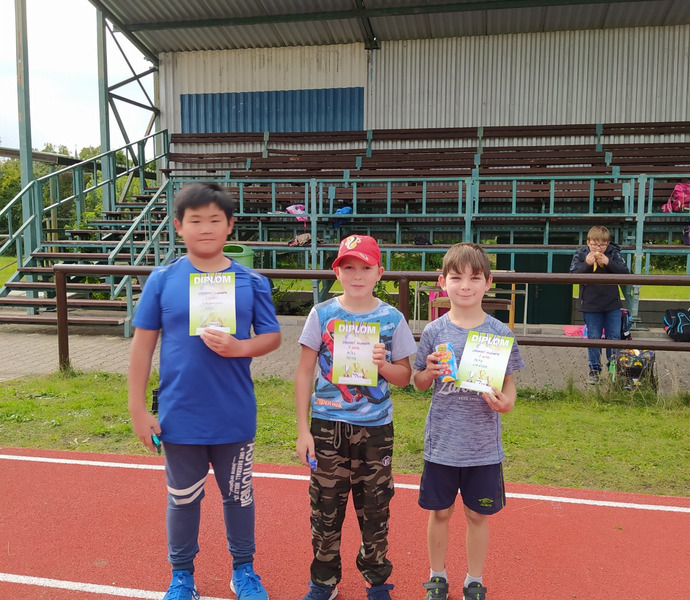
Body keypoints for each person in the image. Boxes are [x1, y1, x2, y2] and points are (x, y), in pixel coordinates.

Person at [128, 182, 281, 600]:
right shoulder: (162, 280)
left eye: (215, 219)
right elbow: (142, 348)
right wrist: (138, 409)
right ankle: (182, 577)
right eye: (195, 220)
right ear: (179, 226)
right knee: (182, 500)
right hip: (180, 415)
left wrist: (240, 347)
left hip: (234, 413)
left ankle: (243, 571)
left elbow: (272, 337)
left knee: (239, 496)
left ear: (230, 225)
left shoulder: (251, 281)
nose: (206, 228)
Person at [294, 234, 418, 600]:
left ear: (380, 272)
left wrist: (382, 365)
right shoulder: (322, 314)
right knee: (325, 508)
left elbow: (405, 376)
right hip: (327, 426)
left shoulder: (392, 318)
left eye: (365, 267)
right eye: (348, 267)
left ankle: (377, 581)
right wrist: (303, 430)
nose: (357, 275)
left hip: (375, 429)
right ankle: (323, 581)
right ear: (337, 272)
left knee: (376, 508)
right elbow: (304, 371)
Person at [413, 242, 525, 600]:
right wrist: (427, 373)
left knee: (478, 516)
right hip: (442, 442)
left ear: (488, 283)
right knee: (440, 512)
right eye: (456, 278)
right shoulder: (433, 331)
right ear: (442, 282)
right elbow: (417, 381)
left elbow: (509, 383)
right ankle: (437, 576)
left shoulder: (500, 333)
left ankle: (474, 580)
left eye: (475, 278)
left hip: (482, 446)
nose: (465, 286)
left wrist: (507, 403)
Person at [568, 225, 630, 384]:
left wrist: (608, 262)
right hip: (590, 304)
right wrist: (587, 264)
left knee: (614, 337)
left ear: (608, 243)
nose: (598, 248)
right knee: (594, 337)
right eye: (595, 244)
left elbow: (625, 273)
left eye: (602, 245)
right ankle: (594, 370)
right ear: (588, 242)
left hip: (612, 304)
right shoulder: (580, 254)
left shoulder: (613, 253)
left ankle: (614, 369)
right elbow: (572, 276)